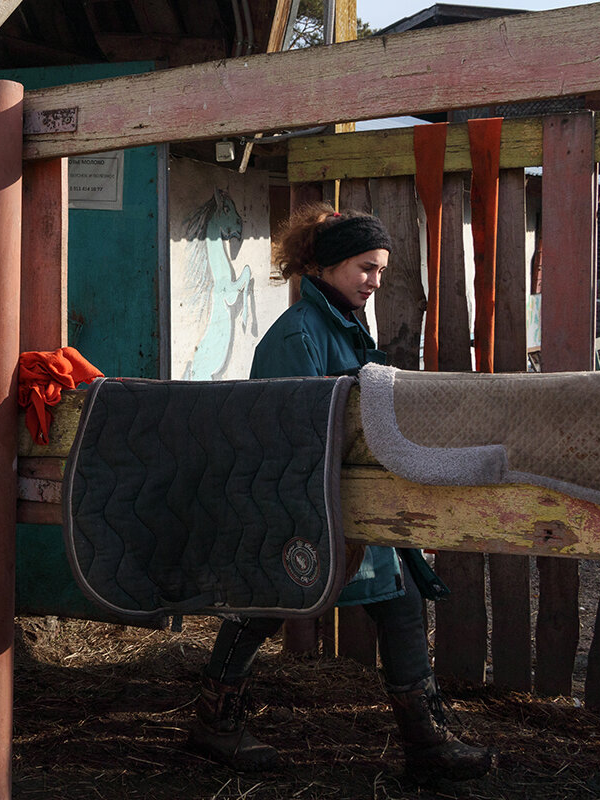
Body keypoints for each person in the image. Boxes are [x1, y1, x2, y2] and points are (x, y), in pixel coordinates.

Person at [186, 203, 494, 782]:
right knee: (265, 607)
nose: (375, 282)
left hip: (351, 502)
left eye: (380, 271)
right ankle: (214, 723)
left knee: (400, 605)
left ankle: (426, 743)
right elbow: (289, 431)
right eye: (365, 268)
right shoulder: (297, 334)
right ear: (325, 265)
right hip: (307, 504)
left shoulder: (344, 325)